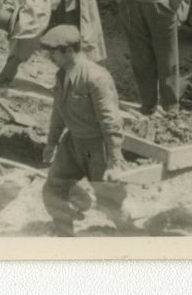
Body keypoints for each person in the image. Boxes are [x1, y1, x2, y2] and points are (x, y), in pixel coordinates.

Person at [39, 25, 130, 237]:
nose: (49, 57)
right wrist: (52, 143)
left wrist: (115, 162)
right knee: (53, 190)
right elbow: (59, 112)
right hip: (73, 143)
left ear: (70, 51)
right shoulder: (62, 75)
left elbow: (111, 121)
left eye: (53, 52)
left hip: (98, 147)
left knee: (111, 204)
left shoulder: (95, 77)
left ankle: (136, 238)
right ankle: (66, 238)